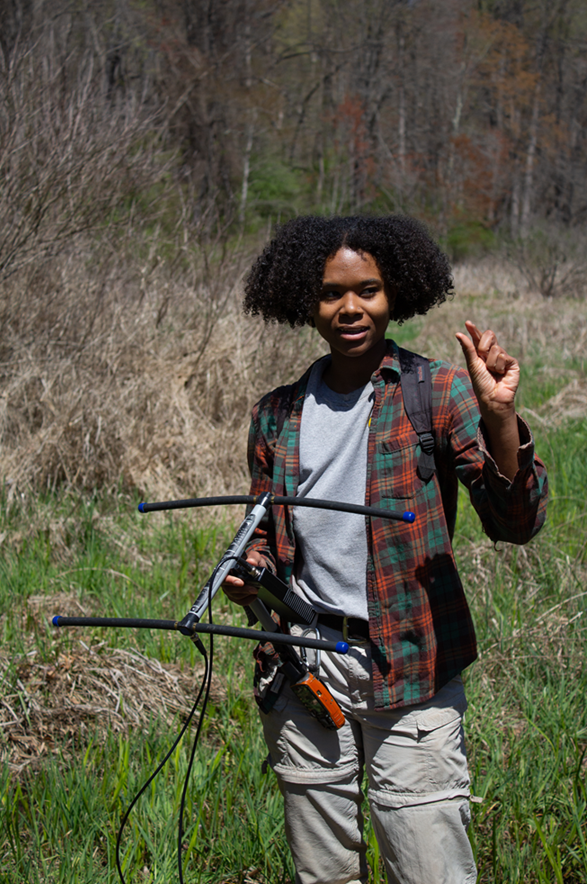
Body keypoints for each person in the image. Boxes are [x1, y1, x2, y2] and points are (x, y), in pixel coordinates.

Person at [223, 215, 548, 884]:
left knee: (428, 868)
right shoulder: (276, 414)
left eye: (366, 290)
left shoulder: (436, 394)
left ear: (394, 292)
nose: (348, 308)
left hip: (410, 666)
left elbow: (515, 520)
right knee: (324, 873)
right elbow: (263, 528)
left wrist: (498, 418)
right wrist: (248, 568)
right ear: (301, 302)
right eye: (329, 293)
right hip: (304, 670)